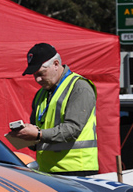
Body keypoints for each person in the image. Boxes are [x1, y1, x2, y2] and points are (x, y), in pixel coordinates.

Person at [15, 43, 98, 176]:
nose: (37, 79)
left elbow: (73, 129)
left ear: (56, 64)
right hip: (47, 170)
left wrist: (38, 134)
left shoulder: (79, 87)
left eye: (41, 73)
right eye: (34, 75)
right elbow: (39, 135)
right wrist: (26, 136)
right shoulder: (41, 94)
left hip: (77, 169)